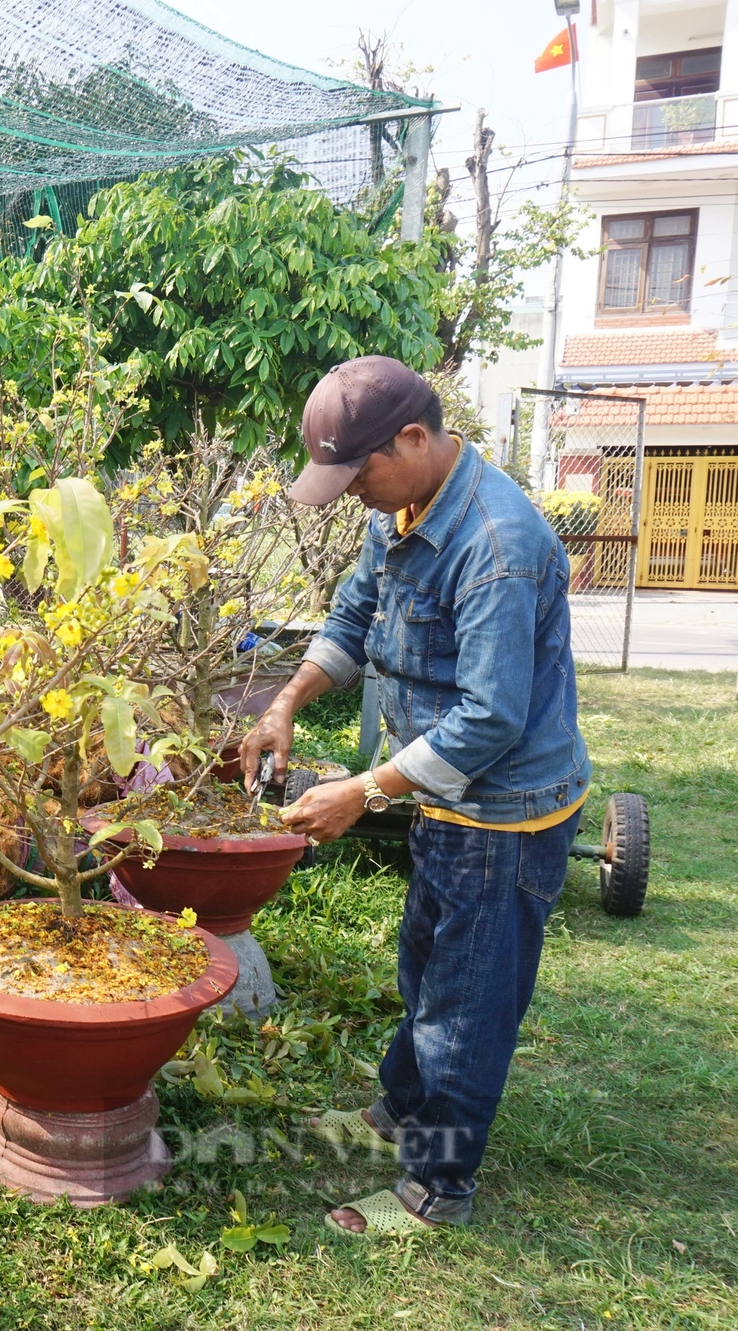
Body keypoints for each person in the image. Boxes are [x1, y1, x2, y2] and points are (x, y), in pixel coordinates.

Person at [238, 355, 591, 1238]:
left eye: (360, 471)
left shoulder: (495, 547)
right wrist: (286, 701)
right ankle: (401, 1110)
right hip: (445, 799)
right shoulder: (402, 508)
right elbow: (355, 615)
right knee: (425, 966)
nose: (353, 491)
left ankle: (437, 1187)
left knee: (467, 1005)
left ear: (414, 438)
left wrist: (361, 789)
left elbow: (490, 719)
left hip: (505, 812)